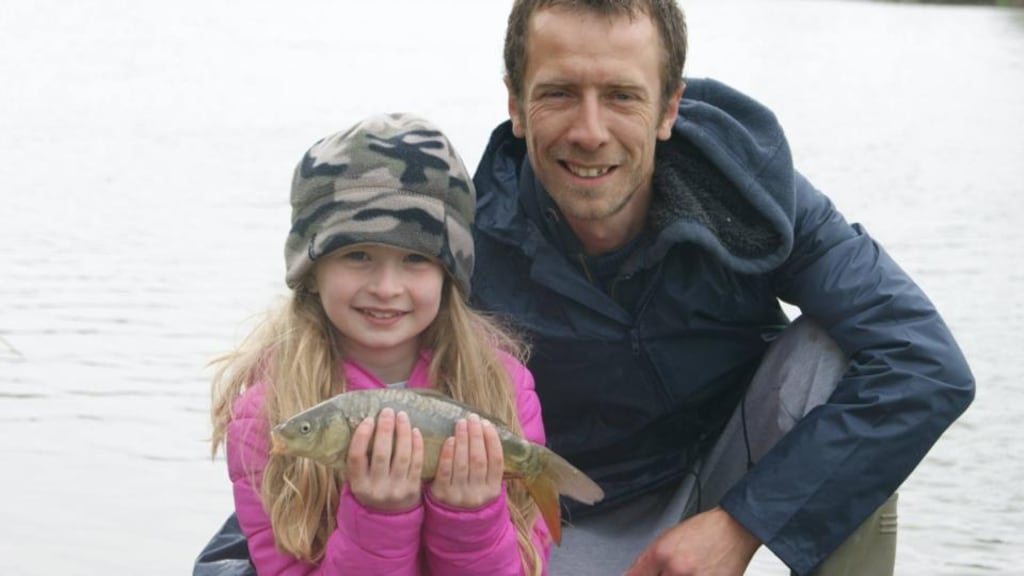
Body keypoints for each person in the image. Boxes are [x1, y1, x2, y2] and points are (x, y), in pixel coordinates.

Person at [466, 0, 975, 575]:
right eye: (559, 93)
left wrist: (742, 525)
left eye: (622, 96)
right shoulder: (462, 238)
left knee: (841, 365)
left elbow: (926, 363)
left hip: (728, 469)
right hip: (563, 512)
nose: (590, 132)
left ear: (669, 107)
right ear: (516, 103)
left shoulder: (748, 191)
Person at [206, 113, 551, 575]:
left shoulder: (502, 387)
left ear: (450, 274)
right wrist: (377, 517)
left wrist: (472, 517)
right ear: (312, 269)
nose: (386, 287)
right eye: (358, 255)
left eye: (415, 258)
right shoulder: (265, 416)